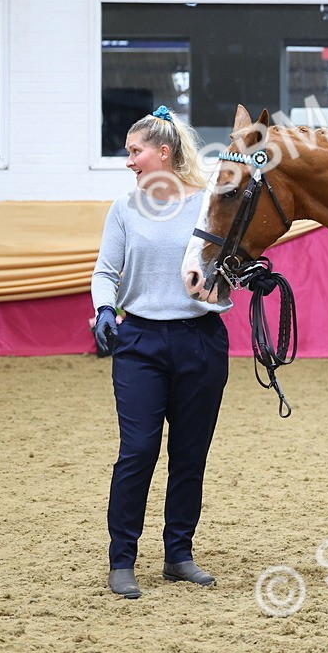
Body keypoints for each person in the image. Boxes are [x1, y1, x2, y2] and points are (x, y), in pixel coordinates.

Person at [91, 105, 232, 599]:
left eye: (135, 151)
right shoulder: (124, 207)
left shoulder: (209, 204)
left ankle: (179, 555)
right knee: (137, 451)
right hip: (141, 343)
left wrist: (237, 281)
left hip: (201, 341)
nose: (128, 161)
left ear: (163, 153)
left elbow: (227, 264)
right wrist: (105, 310)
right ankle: (122, 559)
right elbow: (105, 272)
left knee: (190, 455)